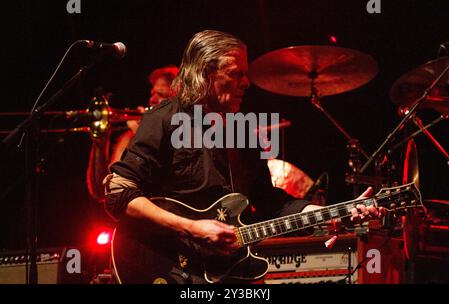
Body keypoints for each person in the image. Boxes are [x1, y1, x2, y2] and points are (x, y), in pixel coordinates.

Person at [103, 30, 383, 283]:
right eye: (236, 74)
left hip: (227, 273)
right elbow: (119, 195)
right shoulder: (163, 120)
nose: (247, 83)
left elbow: (269, 202)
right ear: (206, 72)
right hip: (166, 270)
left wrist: (329, 214)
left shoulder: (243, 131)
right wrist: (192, 228)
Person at [86, 65, 179, 202]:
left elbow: (168, 178)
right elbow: (102, 192)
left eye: (161, 95)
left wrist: (144, 133)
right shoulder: (129, 137)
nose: (152, 99)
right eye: (152, 93)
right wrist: (100, 144)